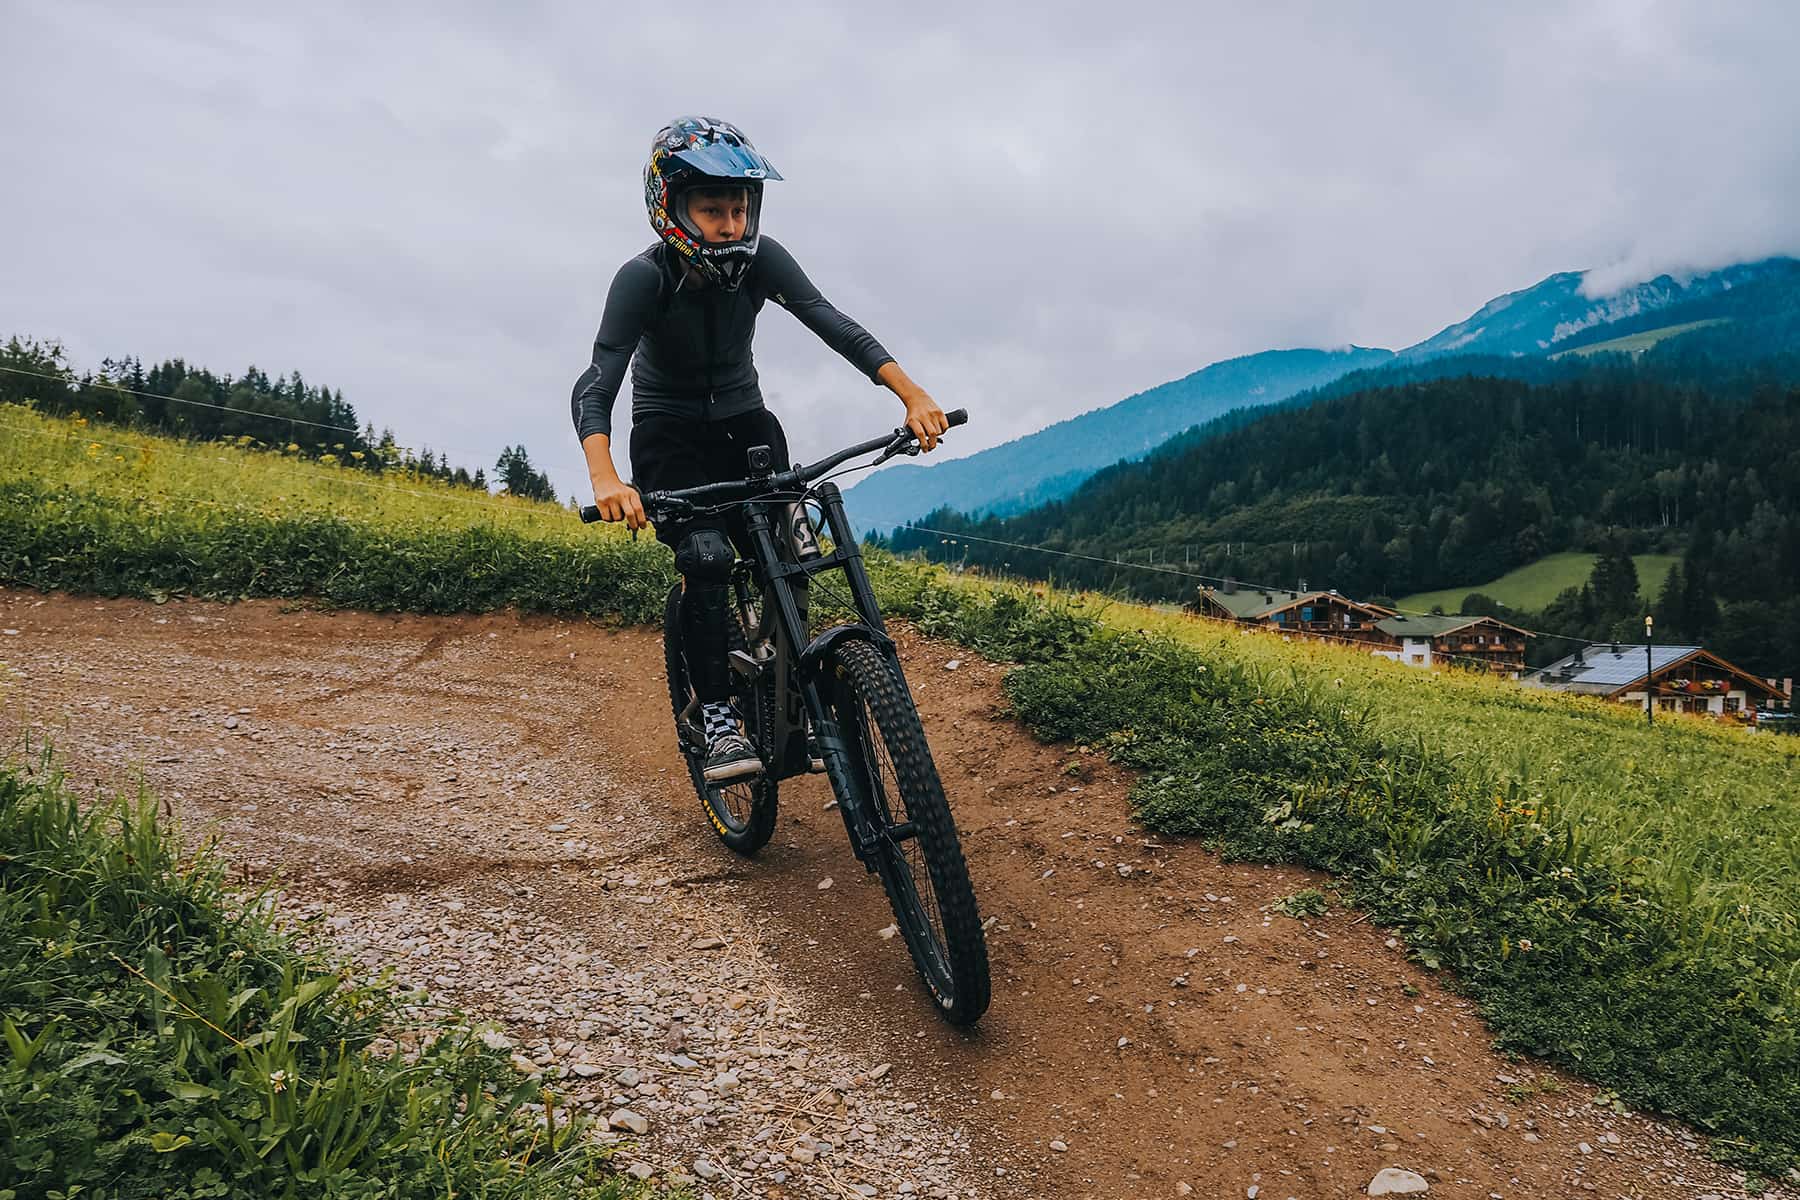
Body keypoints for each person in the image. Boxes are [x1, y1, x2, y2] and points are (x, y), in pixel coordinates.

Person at [572, 115, 949, 783]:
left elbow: (832, 322)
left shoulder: (762, 259)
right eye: (711, 208)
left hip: (747, 425)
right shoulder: (644, 278)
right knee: (707, 557)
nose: (727, 222)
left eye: (738, 206)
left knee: (794, 548)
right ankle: (716, 714)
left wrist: (911, 395)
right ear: (671, 207)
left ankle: (788, 690)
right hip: (669, 435)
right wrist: (605, 475)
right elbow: (600, 377)